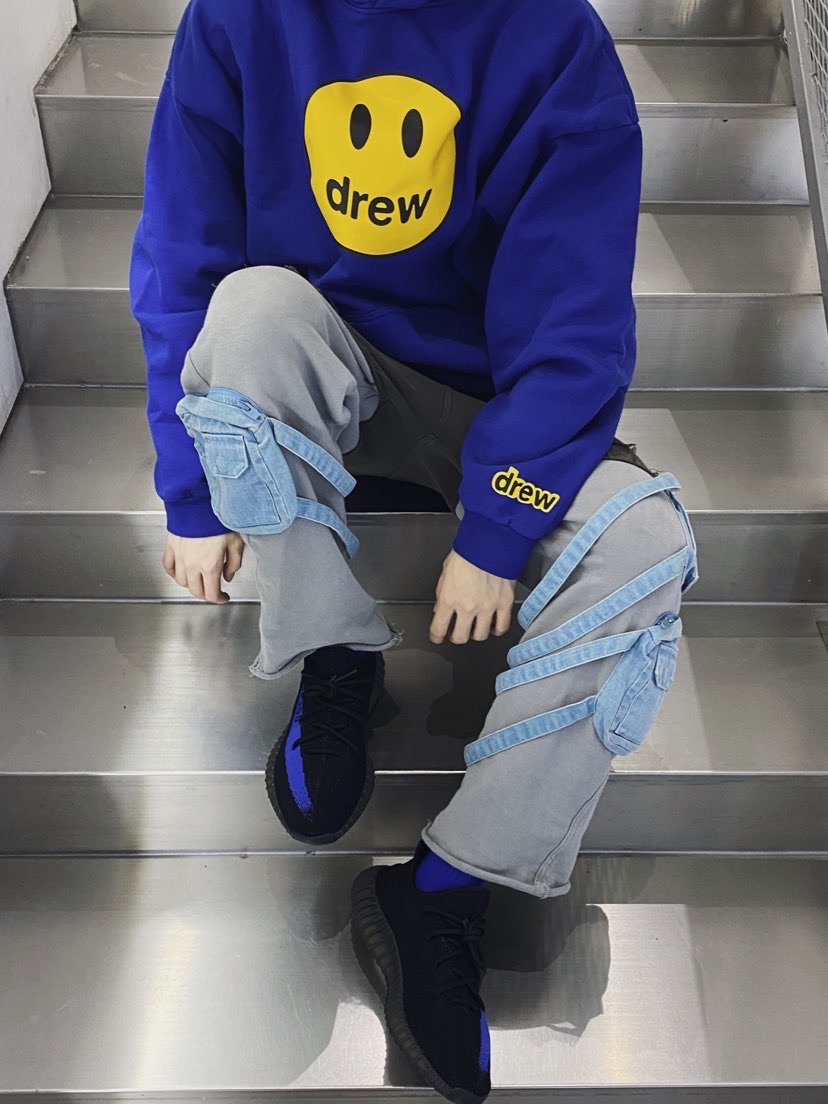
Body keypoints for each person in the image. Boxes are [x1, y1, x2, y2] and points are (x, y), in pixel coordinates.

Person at [129, 2, 699, 1101]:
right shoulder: (240, 15)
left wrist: (500, 524)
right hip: (322, 360)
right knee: (248, 312)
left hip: (491, 401)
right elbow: (183, 252)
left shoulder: (553, 38)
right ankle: (336, 657)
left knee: (644, 542)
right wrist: (192, 491)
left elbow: (574, 321)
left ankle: (440, 889)